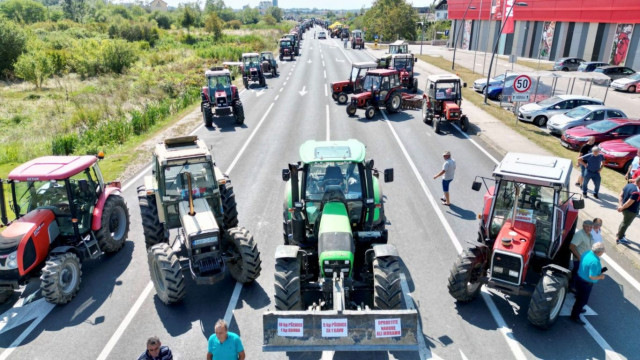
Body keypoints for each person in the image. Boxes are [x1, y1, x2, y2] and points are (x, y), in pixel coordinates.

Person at [571, 242, 606, 325]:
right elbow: (592, 276)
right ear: (599, 252)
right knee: (582, 300)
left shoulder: (586, 252)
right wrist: (601, 277)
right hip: (586, 283)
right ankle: (575, 315)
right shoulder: (595, 262)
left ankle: (577, 309)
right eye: (603, 251)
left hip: (579, 278)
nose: (603, 253)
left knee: (579, 297)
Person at [569, 220, 594, 292]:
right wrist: (579, 257)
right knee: (577, 273)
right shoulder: (580, 234)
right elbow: (571, 246)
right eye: (587, 227)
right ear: (583, 226)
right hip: (579, 259)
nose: (589, 228)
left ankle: (576, 287)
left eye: (591, 227)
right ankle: (572, 286)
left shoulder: (590, 235)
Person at [616, 176, 640, 245]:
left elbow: (621, 195)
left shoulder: (628, 185)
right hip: (631, 211)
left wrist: (620, 205)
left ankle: (619, 233)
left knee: (624, 221)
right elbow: (629, 202)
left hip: (625, 209)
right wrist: (622, 207)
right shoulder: (636, 192)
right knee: (626, 224)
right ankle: (619, 238)